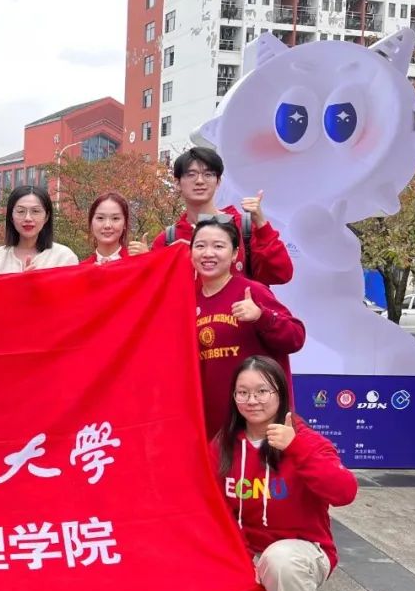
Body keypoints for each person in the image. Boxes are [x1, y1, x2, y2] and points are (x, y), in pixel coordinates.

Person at [201, 355, 358, 591]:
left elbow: (344, 492)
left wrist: (296, 448)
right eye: (242, 392)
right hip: (248, 557)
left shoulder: (306, 440)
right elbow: (210, 505)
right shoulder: (225, 443)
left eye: (262, 391)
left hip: (301, 554)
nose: (252, 400)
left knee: (281, 559)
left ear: (280, 393)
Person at [193, 217, 305, 438]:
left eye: (218, 246)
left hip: (259, 424)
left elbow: (296, 337)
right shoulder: (189, 300)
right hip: (213, 429)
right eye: (200, 246)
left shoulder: (252, 292)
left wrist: (261, 317)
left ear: (235, 254)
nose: (208, 253)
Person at [152, 147, 293, 285]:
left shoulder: (242, 227)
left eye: (208, 174)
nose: (200, 181)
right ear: (177, 183)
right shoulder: (168, 239)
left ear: (218, 182)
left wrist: (261, 224)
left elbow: (282, 274)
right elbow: (155, 289)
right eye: (191, 174)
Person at [0, 186, 78, 274]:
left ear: (46, 217)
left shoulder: (64, 258)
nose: (28, 218)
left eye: (35, 211)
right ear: (11, 216)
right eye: (21, 211)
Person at [80, 192, 151, 265]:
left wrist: (148, 261)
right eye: (100, 218)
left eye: (115, 218)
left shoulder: (137, 261)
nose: (107, 225)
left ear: (125, 223)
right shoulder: (82, 268)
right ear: (91, 222)